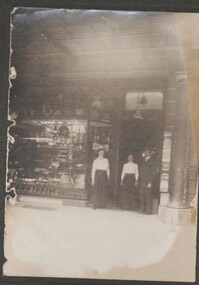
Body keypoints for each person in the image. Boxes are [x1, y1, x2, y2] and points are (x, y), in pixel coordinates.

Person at [138, 148, 156, 214]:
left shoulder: (152, 161)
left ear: (149, 153)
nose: (145, 153)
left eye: (147, 152)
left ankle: (148, 211)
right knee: (142, 194)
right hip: (142, 180)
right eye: (144, 152)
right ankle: (142, 208)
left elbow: (153, 173)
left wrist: (150, 182)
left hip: (147, 181)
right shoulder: (143, 160)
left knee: (148, 195)